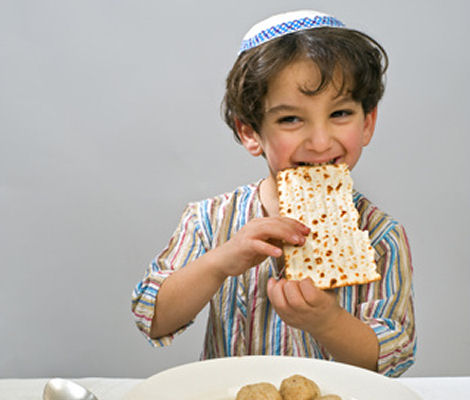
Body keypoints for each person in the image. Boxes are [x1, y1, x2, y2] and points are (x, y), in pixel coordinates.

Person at [132, 10, 416, 377]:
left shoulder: (381, 236)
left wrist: (327, 322)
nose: (319, 141)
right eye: (290, 119)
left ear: (368, 122)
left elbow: (390, 359)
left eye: (340, 113)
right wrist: (220, 262)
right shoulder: (210, 220)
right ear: (250, 132)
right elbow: (152, 316)